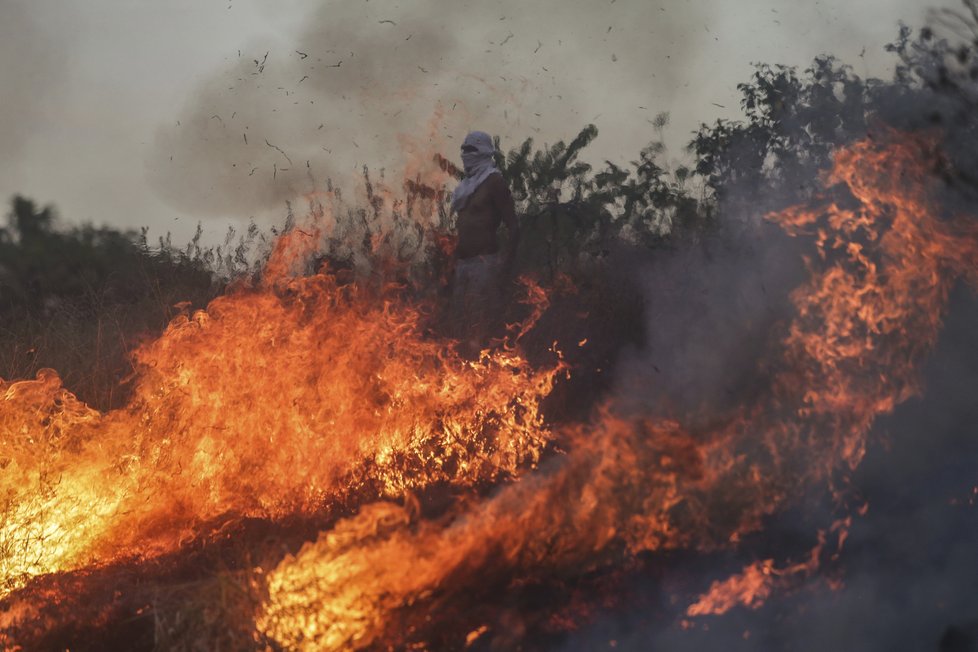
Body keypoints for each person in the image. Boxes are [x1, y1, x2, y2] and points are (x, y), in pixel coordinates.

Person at [450, 130, 520, 355]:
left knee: (481, 318)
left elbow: (514, 226)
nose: (466, 155)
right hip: (463, 264)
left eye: (471, 150)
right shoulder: (466, 187)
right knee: (462, 317)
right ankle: (463, 367)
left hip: (485, 263)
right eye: (464, 150)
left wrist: (505, 264)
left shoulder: (494, 182)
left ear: (484, 152)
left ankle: (484, 364)